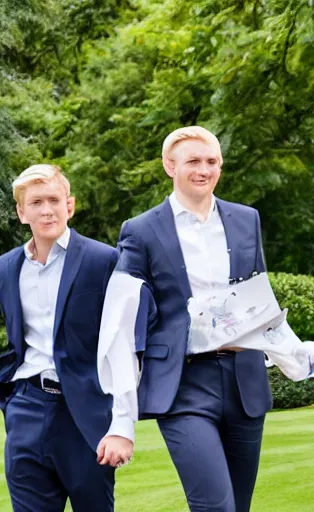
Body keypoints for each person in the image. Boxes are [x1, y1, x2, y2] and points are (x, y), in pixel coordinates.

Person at [113, 126, 272, 512]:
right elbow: (125, 314)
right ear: (170, 166)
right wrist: (121, 409)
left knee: (238, 505)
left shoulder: (246, 218)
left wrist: (300, 355)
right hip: (182, 383)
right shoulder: (140, 230)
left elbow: (261, 297)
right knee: (214, 506)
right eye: (193, 161)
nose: (204, 170)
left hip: (243, 379)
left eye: (212, 161)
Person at [0, 165, 134, 512]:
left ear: (69, 205)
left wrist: (121, 423)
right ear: (22, 212)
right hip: (25, 407)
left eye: (54, 199)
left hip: (83, 413)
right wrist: (10, 400)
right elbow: (16, 341)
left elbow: (124, 343)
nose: (46, 209)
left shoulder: (104, 260)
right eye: (36, 202)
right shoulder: (4, 269)